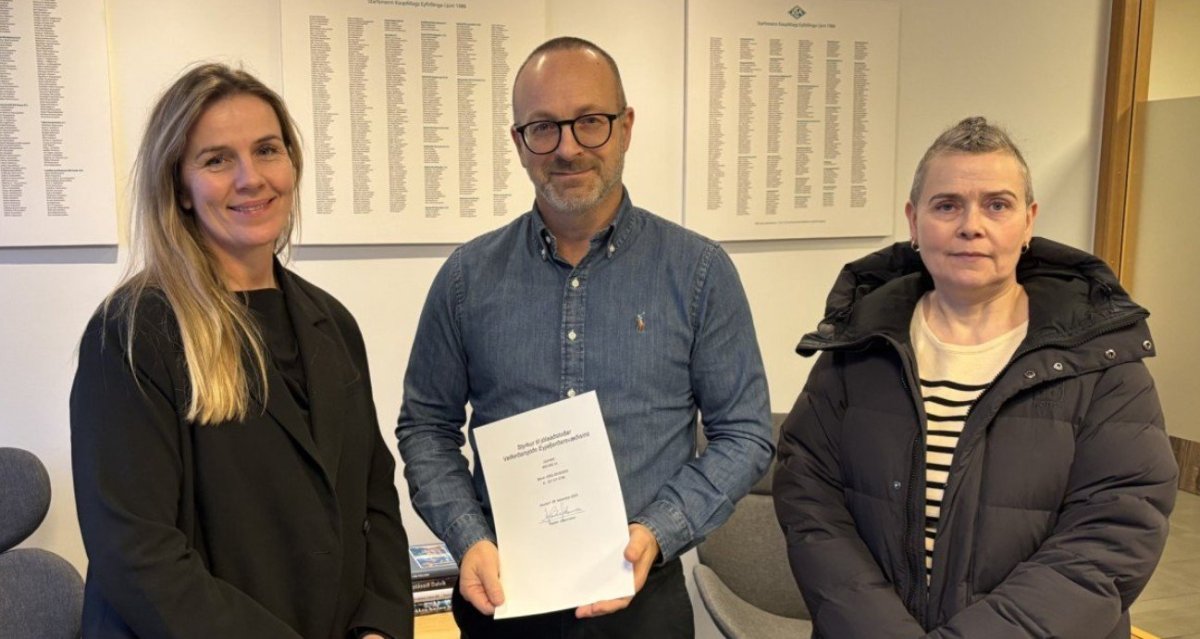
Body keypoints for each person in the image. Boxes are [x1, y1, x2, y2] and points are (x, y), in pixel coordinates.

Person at [396, 36, 773, 637]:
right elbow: (425, 428)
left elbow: (746, 433)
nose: (568, 148)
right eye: (544, 127)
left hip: (643, 605)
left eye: (590, 121)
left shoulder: (699, 271)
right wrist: (468, 536)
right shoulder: (466, 278)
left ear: (626, 127)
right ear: (518, 142)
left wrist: (659, 530)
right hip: (502, 601)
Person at [773, 116, 1177, 638]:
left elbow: (1115, 532)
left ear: (1028, 222)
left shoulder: (1100, 358)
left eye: (997, 205)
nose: (971, 225)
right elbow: (810, 500)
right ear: (914, 221)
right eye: (947, 205)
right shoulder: (857, 348)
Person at [70, 63, 413, 639]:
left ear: (292, 164)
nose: (251, 178)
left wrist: (379, 626)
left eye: (267, 150)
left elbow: (374, 499)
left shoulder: (332, 323)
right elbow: (137, 553)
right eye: (217, 160)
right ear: (179, 187)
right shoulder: (133, 333)